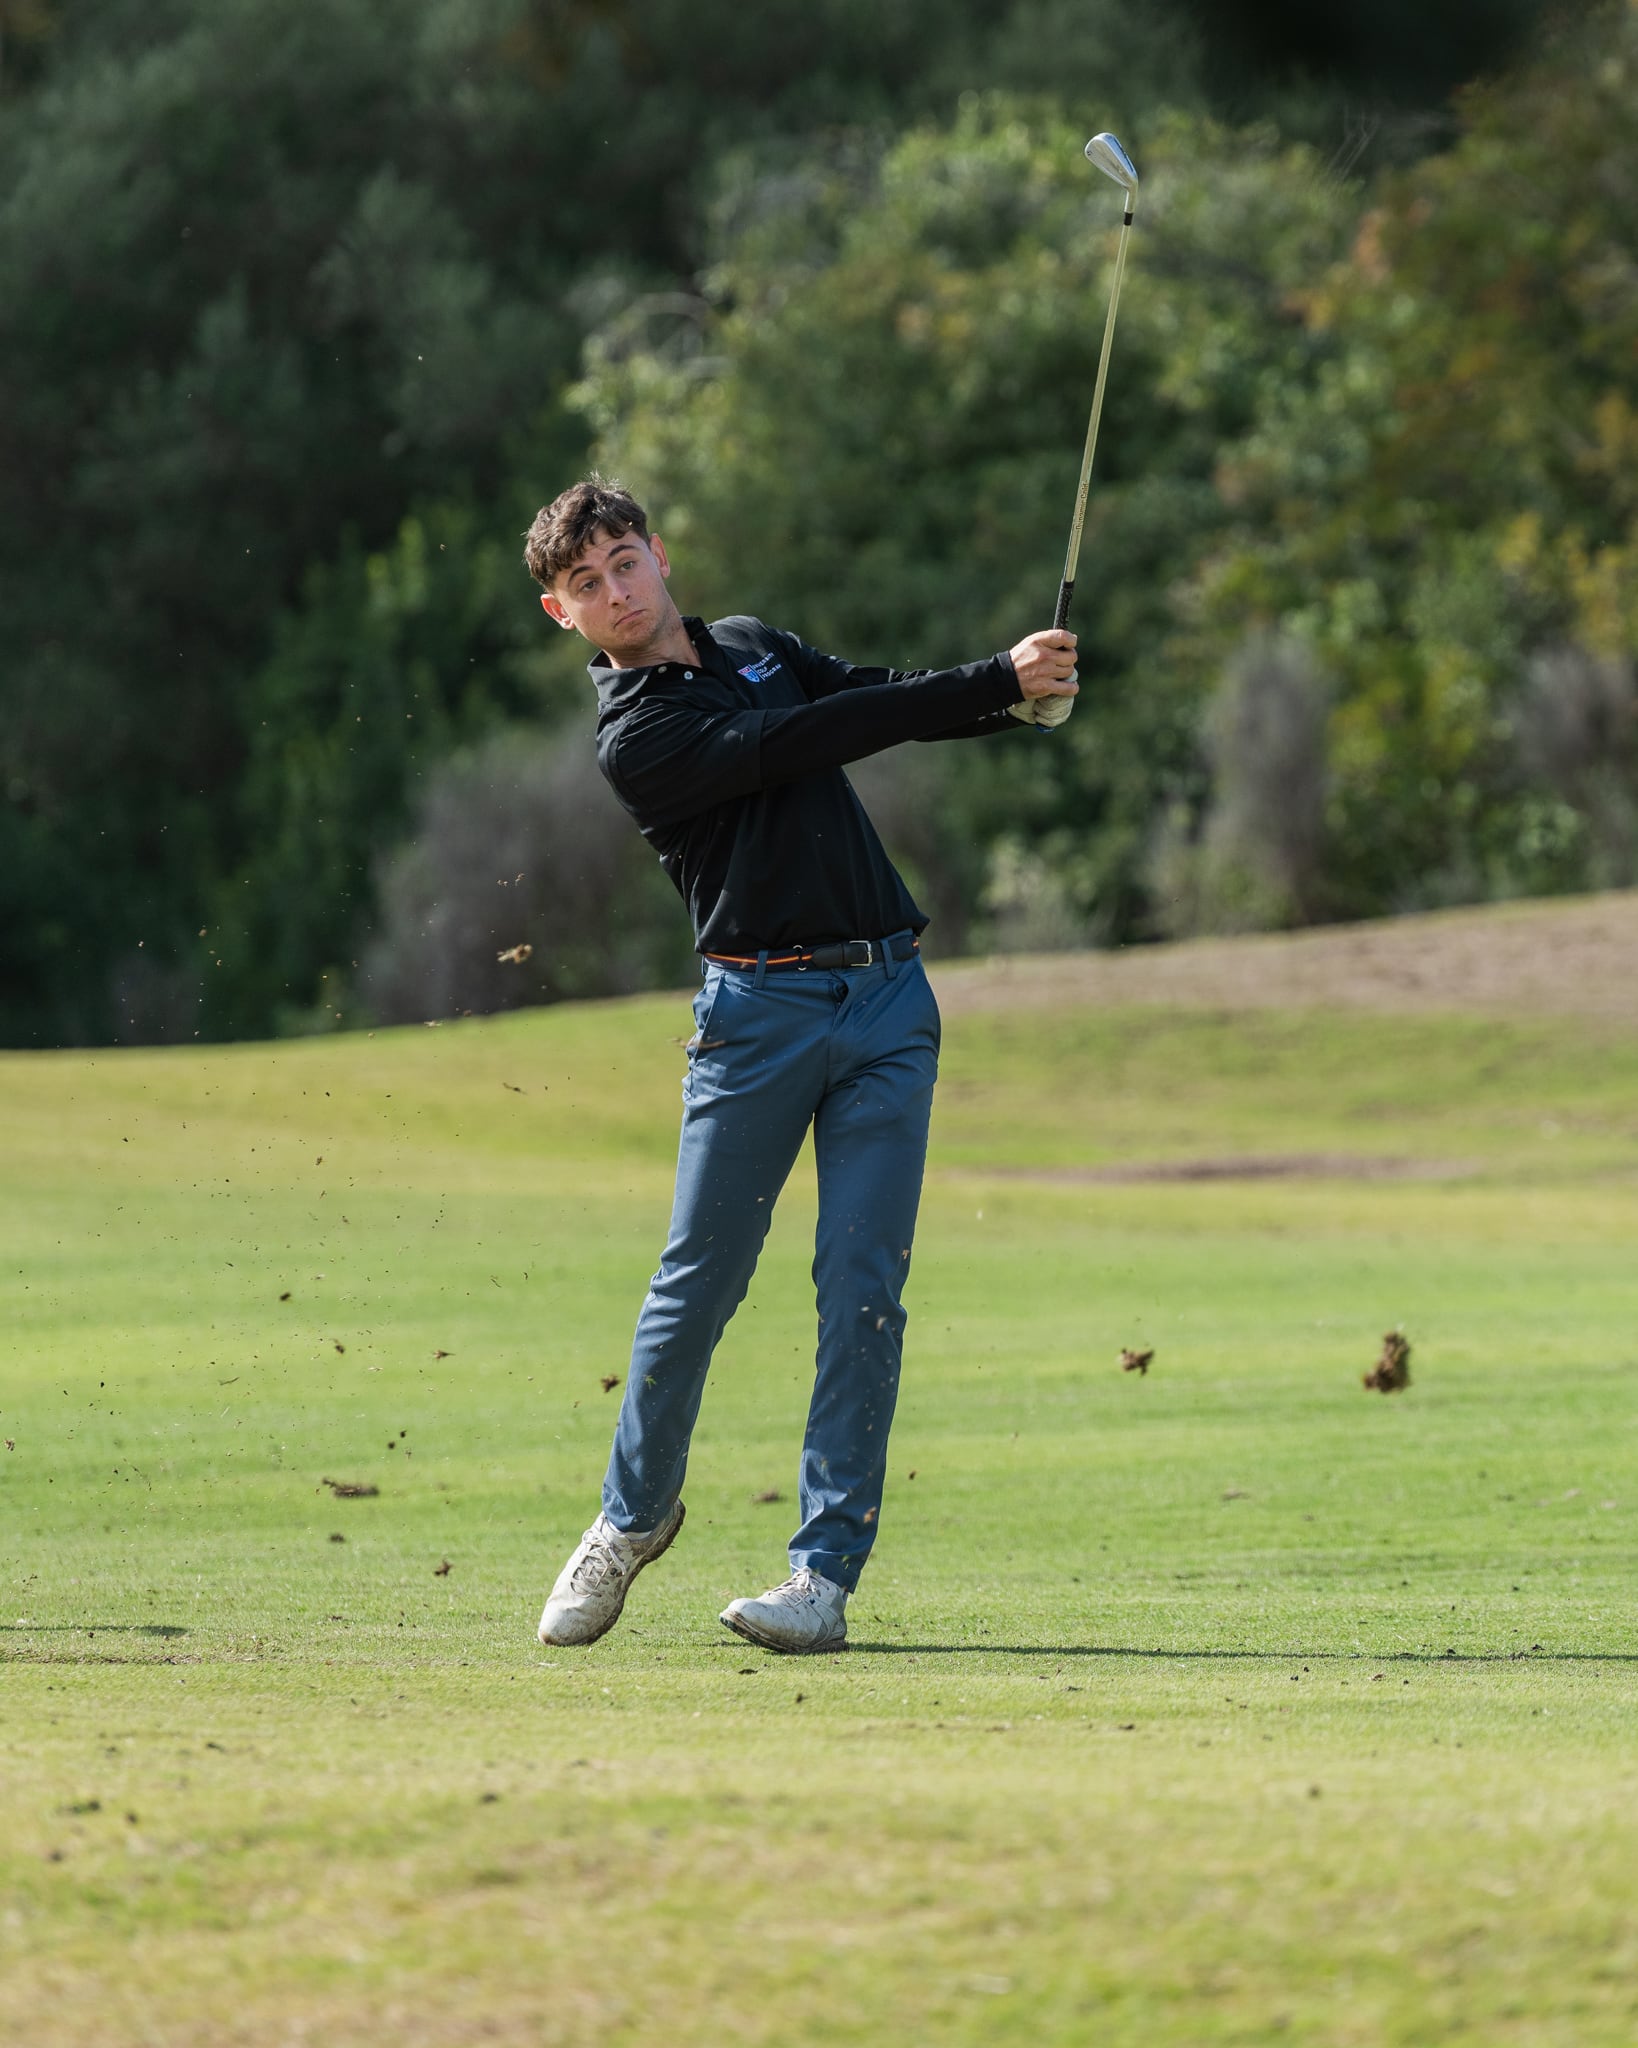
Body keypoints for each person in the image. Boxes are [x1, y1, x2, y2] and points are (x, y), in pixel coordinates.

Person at [522, 474, 1078, 1654]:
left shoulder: (751, 643)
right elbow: (805, 740)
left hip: (888, 1000)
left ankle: (822, 1577)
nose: (616, 590)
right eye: (585, 583)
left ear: (659, 553)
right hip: (756, 1018)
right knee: (697, 1284)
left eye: (624, 561)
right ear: (562, 613)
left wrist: (1016, 702)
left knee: (862, 1285)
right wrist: (993, 675)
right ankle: (631, 1516)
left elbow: (864, 693)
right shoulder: (636, 737)